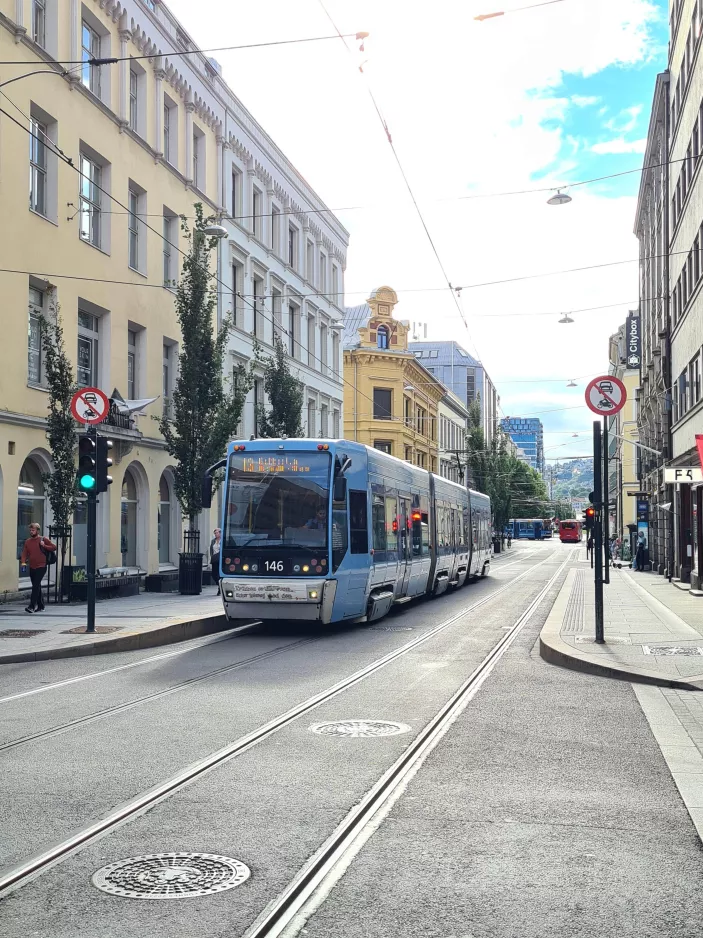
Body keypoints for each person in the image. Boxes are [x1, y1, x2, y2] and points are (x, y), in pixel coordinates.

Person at [20, 523, 56, 614]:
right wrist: (23, 562)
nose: (31, 532)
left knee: (35, 586)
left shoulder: (43, 539)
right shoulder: (28, 541)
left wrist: (44, 546)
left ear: (37, 531)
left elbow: (53, 547)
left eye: (33, 530)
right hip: (32, 566)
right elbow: (24, 553)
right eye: (30, 530)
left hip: (42, 566)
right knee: (37, 586)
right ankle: (41, 606)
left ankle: (32, 606)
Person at [209, 528, 222, 596]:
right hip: (214, 559)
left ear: (220, 533)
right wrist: (212, 556)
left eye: (216, 533)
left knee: (219, 574)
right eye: (215, 533)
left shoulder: (223, 540)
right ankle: (219, 585)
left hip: (220, 559)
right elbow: (211, 549)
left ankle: (220, 589)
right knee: (214, 574)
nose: (215, 534)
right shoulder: (213, 541)